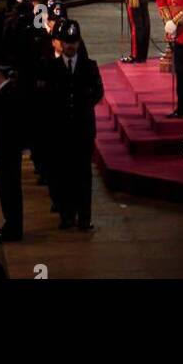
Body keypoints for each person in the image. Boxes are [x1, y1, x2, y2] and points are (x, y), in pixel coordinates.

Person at [43, 19, 104, 231]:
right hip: (59, 130)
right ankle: (67, 215)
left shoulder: (89, 66)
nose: (70, 45)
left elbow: (97, 92)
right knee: (63, 174)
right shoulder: (50, 67)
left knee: (83, 175)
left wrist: (81, 105)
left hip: (82, 129)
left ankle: (84, 217)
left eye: (74, 41)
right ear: (58, 42)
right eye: (66, 41)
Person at [0, 59, 26, 242]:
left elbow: (4, 125)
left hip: (7, 148)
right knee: (6, 187)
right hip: (6, 147)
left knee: (9, 187)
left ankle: (13, 226)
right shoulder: (4, 90)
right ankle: (10, 224)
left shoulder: (8, 93)